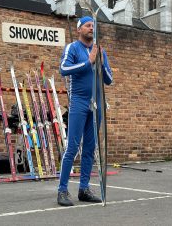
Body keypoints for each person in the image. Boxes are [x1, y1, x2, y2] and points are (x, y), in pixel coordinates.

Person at [57, 16, 113, 206]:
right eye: (88, 25)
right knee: (72, 147)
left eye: (93, 26)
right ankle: (62, 190)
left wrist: (100, 62)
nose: (92, 28)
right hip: (78, 102)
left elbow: (109, 80)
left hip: (96, 104)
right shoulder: (72, 48)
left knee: (90, 149)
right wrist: (88, 62)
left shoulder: (99, 51)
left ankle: (84, 189)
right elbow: (63, 69)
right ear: (79, 29)